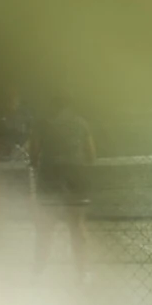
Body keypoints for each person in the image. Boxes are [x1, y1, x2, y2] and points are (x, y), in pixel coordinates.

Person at [28, 97, 94, 281]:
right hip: (76, 179)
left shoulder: (41, 123)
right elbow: (91, 155)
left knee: (45, 228)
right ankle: (82, 273)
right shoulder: (81, 123)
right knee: (77, 227)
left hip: (50, 179)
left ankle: (38, 272)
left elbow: (33, 154)